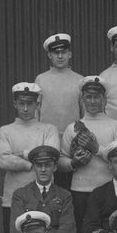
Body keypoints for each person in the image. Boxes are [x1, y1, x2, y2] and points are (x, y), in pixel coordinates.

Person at [58, 75, 117, 233]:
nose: (93, 101)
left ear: (105, 99)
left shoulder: (116, 126)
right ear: (82, 99)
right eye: (88, 97)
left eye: (97, 97)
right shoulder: (72, 128)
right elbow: (61, 161)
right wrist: (74, 162)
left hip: (109, 192)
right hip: (81, 191)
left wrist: (96, 148)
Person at [0, 82, 60, 233]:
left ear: (37, 104)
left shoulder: (49, 130)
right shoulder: (5, 131)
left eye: (30, 104)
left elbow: (51, 156)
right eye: (21, 104)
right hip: (12, 198)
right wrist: (31, 164)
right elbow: (3, 160)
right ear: (15, 104)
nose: (25, 109)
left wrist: (22, 154)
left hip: (43, 199)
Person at [34, 33, 84, 190]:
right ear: (50, 55)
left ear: (70, 54)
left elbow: (84, 114)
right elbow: (36, 114)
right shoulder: (41, 80)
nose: (60, 56)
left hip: (72, 143)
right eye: (56, 53)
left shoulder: (80, 80)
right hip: (48, 142)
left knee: (70, 186)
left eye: (64, 52)